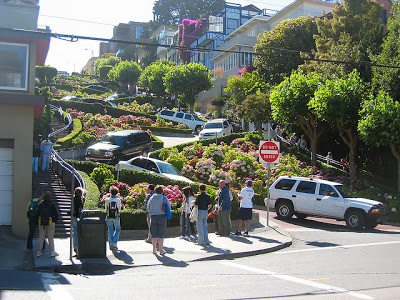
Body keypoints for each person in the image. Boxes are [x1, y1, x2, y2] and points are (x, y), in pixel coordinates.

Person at [147, 186, 171, 255]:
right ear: (162, 191)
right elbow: (169, 207)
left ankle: (154, 250)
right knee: (161, 234)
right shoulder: (164, 198)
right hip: (162, 217)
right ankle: (161, 250)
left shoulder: (151, 198)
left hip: (153, 217)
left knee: (154, 234)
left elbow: (148, 208)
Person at [36, 191, 59, 257]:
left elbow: (37, 213)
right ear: (50, 197)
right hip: (50, 222)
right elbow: (56, 214)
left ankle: (39, 251)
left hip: (41, 223)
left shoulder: (41, 204)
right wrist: (54, 221)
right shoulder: (52, 205)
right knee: (50, 238)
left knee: (41, 237)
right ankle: (52, 251)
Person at [105, 186, 122, 251]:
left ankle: (110, 245)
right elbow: (119, 209)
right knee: (117, 229)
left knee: (110, 230)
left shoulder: (107, 200)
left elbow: (106, 208)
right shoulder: (118, 200)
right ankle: (114, 242)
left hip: (109, 216)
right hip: (116, 216)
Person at [71, 187, 85, 253]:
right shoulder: (79, 200)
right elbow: (80, 209)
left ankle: (75, 246)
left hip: (73, 216)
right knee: (79, 232)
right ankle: (79, 246)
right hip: (78, 217)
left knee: (75, 232)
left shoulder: (73, 199)